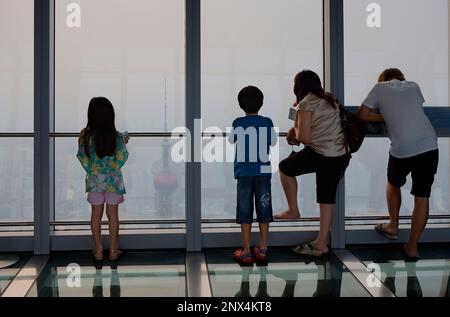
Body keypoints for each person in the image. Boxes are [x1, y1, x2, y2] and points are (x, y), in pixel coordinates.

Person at [358, 68, 439, 260]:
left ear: (383, 79)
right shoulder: (414, 86)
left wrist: (383, 116)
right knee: (422, 197)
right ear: (402, 77)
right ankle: (412, 247)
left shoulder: (379, 87)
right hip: (429, 145)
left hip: (402, 149)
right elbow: (412, 110)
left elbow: (362, 115)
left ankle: (393, 225)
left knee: (393, 183)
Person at [275, 70, 351, 257]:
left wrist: (296, 132)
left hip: (321, 153)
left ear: (297, 87)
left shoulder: (305, 104)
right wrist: (295, 127)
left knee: (285, 168)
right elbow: (298, 123)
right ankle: (322, 242)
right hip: (340, 153)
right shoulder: (330, 99)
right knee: (326, 197)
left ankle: (293, 210)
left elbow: (305, 138)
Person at [229, 86, 277, 264]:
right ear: (261, 103)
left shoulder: (237, 122)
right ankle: (263, 249)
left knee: (245, 210)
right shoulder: (267, 121)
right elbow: (272, 142)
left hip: (243, 173)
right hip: (263, 172)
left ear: (241, 105)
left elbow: (231, 139)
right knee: (264, 208)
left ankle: (247, 251)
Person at [77, 97, 129, 262]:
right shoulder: (116, 136)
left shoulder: (86, 136)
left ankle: (98, 250)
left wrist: (93, 170)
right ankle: (113, 250)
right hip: (113, 181)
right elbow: (122, 157)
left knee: (95, 216)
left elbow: (82, 157)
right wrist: (123, 142)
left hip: (94, 181)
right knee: (112, 215)